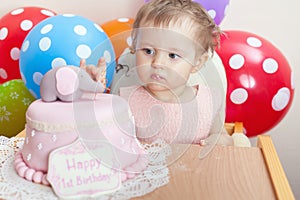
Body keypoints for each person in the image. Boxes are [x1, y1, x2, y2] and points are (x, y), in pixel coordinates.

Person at [81, 0, 249, 148]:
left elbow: (221, 135)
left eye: (172, 56)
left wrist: (221, 140)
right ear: (135, 48)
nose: (157, 63)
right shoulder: (125, 100)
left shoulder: (208, 100)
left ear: (197, 62)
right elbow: (99, 133)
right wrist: (90, 91)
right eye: (148, 51)